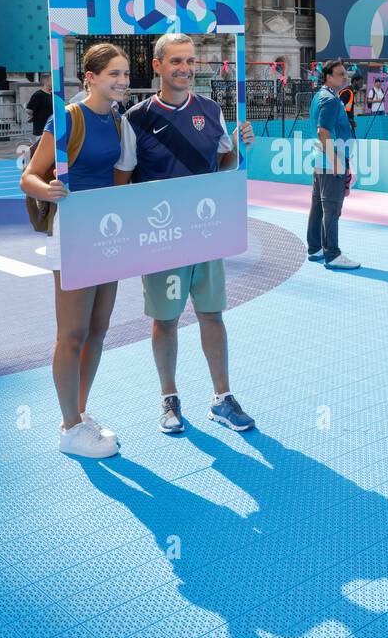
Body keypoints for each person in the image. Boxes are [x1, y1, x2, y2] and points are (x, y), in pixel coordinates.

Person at [114, 32, 256, 436]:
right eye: (176, 61)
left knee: (212, 314)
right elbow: (122, 182)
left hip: (206, 233)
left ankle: (222, 399)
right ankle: (169, 398)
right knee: (166, 319)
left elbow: (225, 164)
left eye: (191, 61)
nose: (186, 69)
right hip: (161, 239)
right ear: (157, 66)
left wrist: (241, 149)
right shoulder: (135, 119)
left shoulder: (212, 110)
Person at [20, 44, 129, 459]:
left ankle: (80, 415)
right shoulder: (67, 118)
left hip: (109, 233)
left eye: (124, 73)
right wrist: (47, 188)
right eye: (113, 74)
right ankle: (68, 428)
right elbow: (29, 176)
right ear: (90, 77)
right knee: (72, 333)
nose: (121, 80)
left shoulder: (117, 119)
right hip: (75, 232)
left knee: (98, 330)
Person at [307, 59, 360, 270]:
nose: (345, 77)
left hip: (320, 160)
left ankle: (316, 249)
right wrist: (337, 162)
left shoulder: (322, 96)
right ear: (328, 76)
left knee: (319, 206)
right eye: (340, 74)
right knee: (332, 208)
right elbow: (322, 131)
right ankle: (333, 254)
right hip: (330, 163)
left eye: (345, 74)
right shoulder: (329, 100)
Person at [26, 74, 53, 139]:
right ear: (46, 82)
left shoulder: (52, 95)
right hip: (41, 130)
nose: (54, 82)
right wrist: (32, 116)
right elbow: (29, 109)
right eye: (51, 80)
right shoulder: (38, 95)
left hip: (51, 129)